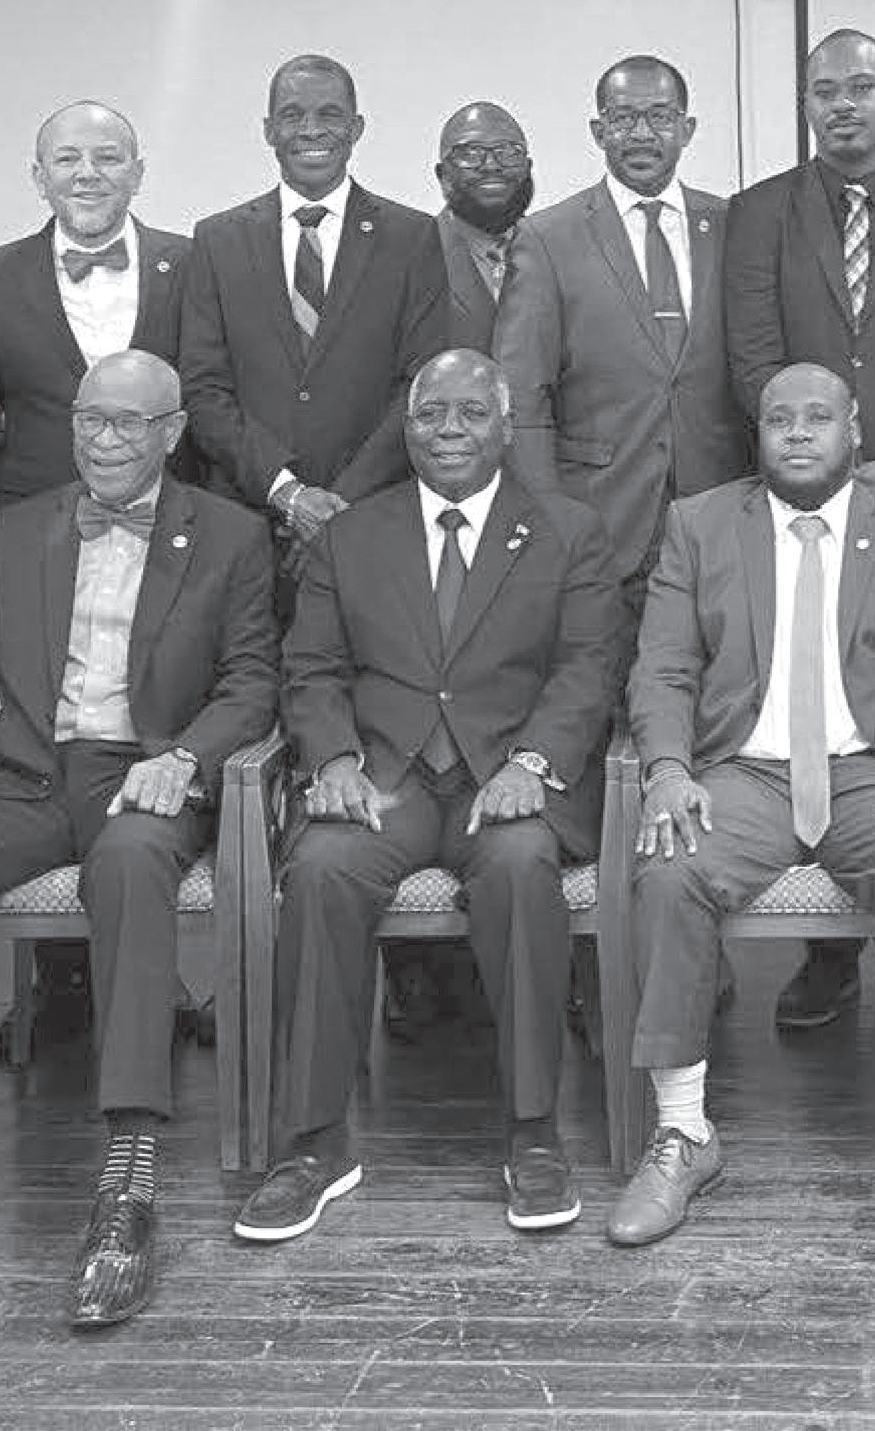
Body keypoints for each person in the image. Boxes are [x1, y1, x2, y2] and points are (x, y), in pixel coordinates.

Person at [0, 351, 278, 1329]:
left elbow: (251, 681)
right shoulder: (16, 528)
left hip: (145, 770)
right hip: (29, 772)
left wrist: (188, 760)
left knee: (129, 863)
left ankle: (128, 1181)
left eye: (128, 423)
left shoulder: (231, 535)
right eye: (89, 421)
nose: (104, 441)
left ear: (173, 433)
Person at [237, 349, 617, 1242]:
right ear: (405, 428)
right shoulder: (350, 535)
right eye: (430, 414)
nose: (449, 430)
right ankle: (313, 1144)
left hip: (507, 779)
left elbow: (588, 667)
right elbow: (312, 668)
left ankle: (533, 1133)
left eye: (471, 414)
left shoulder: (566, 530)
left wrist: (534, 764)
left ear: (506, 428)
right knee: (322, 869)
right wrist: (331, 759)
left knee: (520, 869)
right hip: (386, 778)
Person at [615, 363, 875, 1255]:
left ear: (853, 429)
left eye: (816, 417)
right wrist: (666, 769)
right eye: (778, 418)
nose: (795, 432)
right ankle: (683, 1131)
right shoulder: (699, 523)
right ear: (757, 432)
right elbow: (662, 669)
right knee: (670, 866)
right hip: (742, 773)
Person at [723, 27, 875, 1033]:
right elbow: (751, 358)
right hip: (795, 497)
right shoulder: (758, 212)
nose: (842, 104)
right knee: (813, 694)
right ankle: (826, 961)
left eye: (861, 86)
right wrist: (814, 460)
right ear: (806, 103)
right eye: (824, 89)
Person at [178, 55, 450, 604]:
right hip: (245, 523)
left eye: (329, 114)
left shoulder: (412, 237)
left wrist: (338, 506)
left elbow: (422, 386)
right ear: (268, 130)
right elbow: (204, 388)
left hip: (373, 517)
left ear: (357, 127)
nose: (310, 130)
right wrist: (288, 493)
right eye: (292, 115)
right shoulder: (217, 240)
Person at [494, 53, 742, 593]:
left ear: (687, 129)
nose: (642, 133)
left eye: (660, 116)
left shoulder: (733, 225)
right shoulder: (547, 237)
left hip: (722, 516)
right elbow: (521, 396)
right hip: (599, 523)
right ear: (597, 131)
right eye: (623, 118)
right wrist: (547, 517)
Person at [0, 100, 196, 574]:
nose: (87, 174)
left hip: (172, 536)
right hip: (31, 535)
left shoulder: (191, 265)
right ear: (39, 177)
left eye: (107, 158)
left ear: (138, 174)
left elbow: (211, 400)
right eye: (67, 158)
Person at [434, 102, 535, 353]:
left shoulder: (561, 252)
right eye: (470, 153)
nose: (491, 165)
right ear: (441, 173)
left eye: (508, 151)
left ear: (528, 167)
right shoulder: (409, 257)